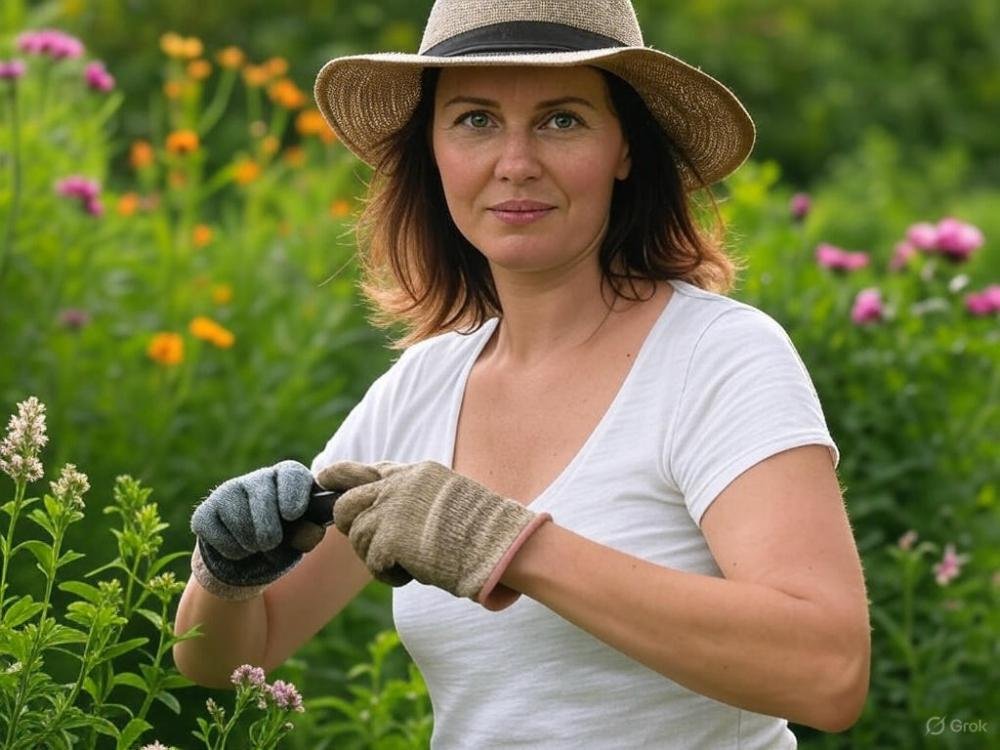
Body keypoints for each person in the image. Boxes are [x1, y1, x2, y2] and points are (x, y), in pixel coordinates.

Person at [173, 0, 872, 746]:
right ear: (433, 150)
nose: (515, 162)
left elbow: (827, 673)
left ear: (625, 149)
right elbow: (230, 656)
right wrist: (227, 573)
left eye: (562, 120)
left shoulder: (716, 357)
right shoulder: (422, 386)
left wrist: (511, 545)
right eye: (475, 120)